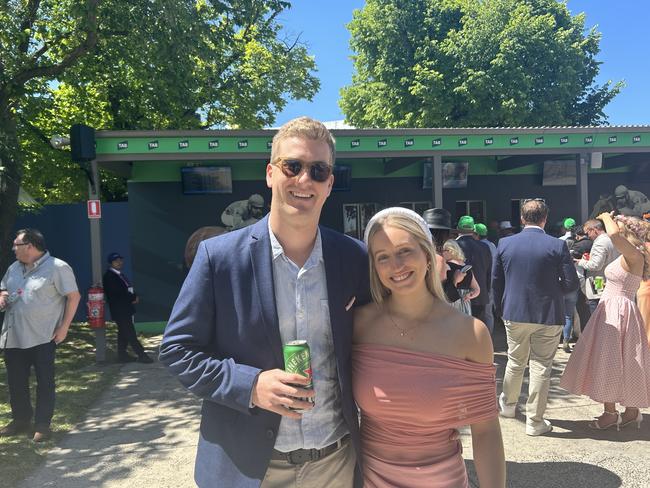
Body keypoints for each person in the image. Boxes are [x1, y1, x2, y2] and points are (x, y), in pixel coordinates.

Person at [159, 117, 370, 488]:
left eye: (318, 170)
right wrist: (250, 385)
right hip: (251, 469)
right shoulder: (218, 257)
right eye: (293, 166)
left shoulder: (353, 258)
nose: (305, 179)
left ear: (330, 183)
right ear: (271, 173)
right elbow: (177, 350)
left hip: (335, 462)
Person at [353, 207, 505, 488]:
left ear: (427, 255)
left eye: (405, 251)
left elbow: (486, 431)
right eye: (382, 257)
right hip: (369, 479)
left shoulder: (470, 333)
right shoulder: (359, 324)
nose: (396, 265)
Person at [492, 199, 579, 436]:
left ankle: (509, 406)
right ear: (545, 219)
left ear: (522, 218)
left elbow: (496, 282)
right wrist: (552, 291)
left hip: (515, 311)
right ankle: (535, 421)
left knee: (515, 360)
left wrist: (501, 309)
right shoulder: (556, 245)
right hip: (548, 313)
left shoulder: (504, 243)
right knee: (541, 366)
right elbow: (571, 282)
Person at [560, 214, 650, 430]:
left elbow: (613, 233)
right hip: (616, 309)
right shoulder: (632, 254)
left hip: (616, 311)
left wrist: (604, 216)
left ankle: (610, 414)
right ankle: (631, 411)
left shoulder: (633, 254)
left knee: (609, 362)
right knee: (623, 360)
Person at [0, 229, 81, 442]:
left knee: (45, 382)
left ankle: (42, 425)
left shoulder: (58, 267)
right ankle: (20, 420)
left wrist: (64, 328)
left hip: (43, 337)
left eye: (16, 244)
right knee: (16, 382)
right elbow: (3, 289)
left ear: (30, 246)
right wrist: (2, 295)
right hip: (13, 336)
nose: (13, 248)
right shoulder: (13, 268)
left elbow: (74, 297)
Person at [102, 252, 153, 363]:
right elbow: (118, 293)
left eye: (120, 260)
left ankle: (122, 355)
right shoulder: (109, 276)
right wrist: (133, 297)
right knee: (130, 333)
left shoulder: (119, 275)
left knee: (123, 333)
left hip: (125, 308)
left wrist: (133, 297)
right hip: (120, 310)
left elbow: (125, 290)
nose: (119, 262)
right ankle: (142, 355)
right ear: (111, 263)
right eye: (116, 261)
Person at [576, 219, 620, 317]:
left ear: (594, 230)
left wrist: (581, 262)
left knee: (597, 318)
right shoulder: (612, 239)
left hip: (598, 283)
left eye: (588, 233)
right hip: (609, 283)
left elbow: (596, 265)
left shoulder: (600, 242)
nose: (588, 236)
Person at [456, 215, 492, 327]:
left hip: (458, 296)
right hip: (480, 295)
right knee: (478, 329)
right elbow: (489, 272)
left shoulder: (453, 246)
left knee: (460, 330)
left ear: (458, 229)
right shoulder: (484, 247)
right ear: (473, 230)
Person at [441, 239, 480, 315]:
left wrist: (455, 281)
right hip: (465, 303)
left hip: (452, 301)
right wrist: (470, 296)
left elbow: (446, 289)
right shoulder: (467, 268)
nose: (442, 253)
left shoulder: (446, 266)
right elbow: (477, 290)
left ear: (450, 251)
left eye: (443, 250)